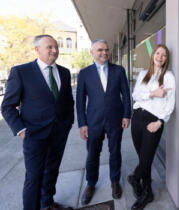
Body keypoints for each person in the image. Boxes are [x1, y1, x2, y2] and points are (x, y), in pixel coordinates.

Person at [1, 35, 74, 210]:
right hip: (34, 134)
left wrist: (68, 123)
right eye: (49, 47)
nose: (55, 51)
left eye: (56, 47)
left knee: (52, 170)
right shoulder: (21, 72)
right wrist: (21, 130)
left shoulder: (64, 72)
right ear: (37, 49)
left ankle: (47, 203)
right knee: (33, 177)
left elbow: (67, 101)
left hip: (59, 132)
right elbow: (8, 106)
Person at [76, 39, 131, 205]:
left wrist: (127, 115)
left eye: (106, 50)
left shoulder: (119, 70)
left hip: (115, 119)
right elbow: (79, 101)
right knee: (92, 153)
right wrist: (82, 123)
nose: (104, 53)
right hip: (93, 121)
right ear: (92, 52)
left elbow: (126, 95)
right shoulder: (84, 73)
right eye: (100, 50)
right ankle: (91, 184)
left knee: (115, 152)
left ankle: (115, 182)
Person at [128, 44, 175, 210]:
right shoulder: (143, 74)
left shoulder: (168, 76)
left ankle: (135, 178)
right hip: (137, 118)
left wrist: (160, 122)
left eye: (163, 55)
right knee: (143, 159)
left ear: (166, 59)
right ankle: (147, 192)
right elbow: (135, 95)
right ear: (153, 55)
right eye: (158, 53)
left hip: (153, 121)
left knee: (146, 159)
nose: (160, 57)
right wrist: (153, 94)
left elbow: (170, 103)